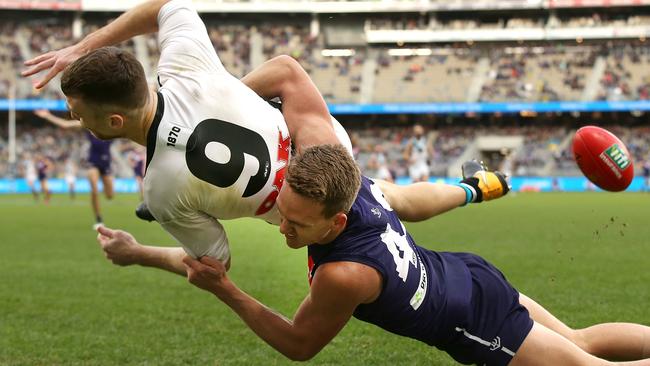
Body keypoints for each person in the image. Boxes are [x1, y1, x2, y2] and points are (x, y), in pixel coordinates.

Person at [183, 144, 650, 366]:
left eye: (298, 224)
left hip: (475, 320)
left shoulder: (343, 275)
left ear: (336, 223)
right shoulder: (357, 188)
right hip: (469, 274)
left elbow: (299, 345)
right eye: (282, 213)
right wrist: (473, 190)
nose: (281, 228)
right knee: (580, 339)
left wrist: (226, 290)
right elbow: (413, 199)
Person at [22, 0, 353, 265]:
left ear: (115, 122)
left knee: (186, 196)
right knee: (231, 85)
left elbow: (216, 263)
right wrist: (85, 45)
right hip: (330, 140)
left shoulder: (161, 191)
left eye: (79, 116)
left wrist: (138, 254)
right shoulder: (183, 63)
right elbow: (166, 5)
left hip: (309, 209)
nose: (75, 119)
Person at [34, 109, 114, 227]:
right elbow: (65, 125)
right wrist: (48, 116)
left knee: (109, 195)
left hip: (106, 162)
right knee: (94, 190)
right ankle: (98, 219)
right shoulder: (89, 124)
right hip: (93, 161)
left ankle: (101, 198)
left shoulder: (112, 124)